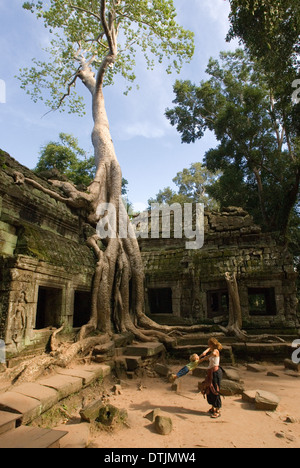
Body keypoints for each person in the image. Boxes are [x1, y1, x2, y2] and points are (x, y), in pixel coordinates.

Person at [198, 338, 223, 419]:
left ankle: (218, 410)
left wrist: (202, 359)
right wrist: (203, 353)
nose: (208, 346)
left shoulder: (215, 351)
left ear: (212, 344)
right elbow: (208, 350)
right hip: (210, 372)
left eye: (209, 344)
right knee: (209, 389)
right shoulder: (211, 348)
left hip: (215, 373)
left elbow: (210, 355)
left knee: (215, 390)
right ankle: (213, 407)